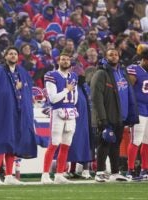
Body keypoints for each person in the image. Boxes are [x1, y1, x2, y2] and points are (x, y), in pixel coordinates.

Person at [0, 46, 37, 185]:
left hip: (16, 113)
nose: (13, 56)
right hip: (1, 113)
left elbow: (26, 94)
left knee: (12, 143)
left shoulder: (21, 72)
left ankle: (9, 176)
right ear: (5, 56)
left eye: (15, 54)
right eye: (10, 53)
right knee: (1, 143)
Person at [90, 48, 139, 182]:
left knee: (115, 145)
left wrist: (130, 115)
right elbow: (96, 97)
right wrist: (102, 118)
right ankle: (99, 172)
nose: (114, 57)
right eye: (111, 55)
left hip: (120, 116)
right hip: (106, 116)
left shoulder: (122, 72)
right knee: (104, 143)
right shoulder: (101, 73)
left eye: (116, 54)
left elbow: (128, 94)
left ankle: (115, 172)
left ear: (119, 56)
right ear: (106, 57)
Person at [41, 53, 78, 184]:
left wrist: (72, 105)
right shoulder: (51, 75)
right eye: (63, 59)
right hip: (58, 111)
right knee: (54, 144)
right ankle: (45, 175)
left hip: (71, 112)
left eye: (68, 59)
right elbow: (53, 98)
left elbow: (76, 96)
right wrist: (67, 90)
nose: (65, 61)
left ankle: (59, 175)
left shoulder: (73, 76)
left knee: (66, 145)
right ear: (58, 61)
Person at [126, 46, 148, 180]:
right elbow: (127, 90)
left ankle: (145, 169)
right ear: (145, 60)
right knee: (136, 140)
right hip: (138, 109)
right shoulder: (134, 70)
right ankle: (130, 170)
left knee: (147, 141)